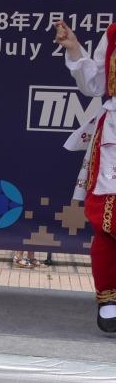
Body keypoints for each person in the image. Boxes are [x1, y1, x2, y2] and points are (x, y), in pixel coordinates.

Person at [54, 18, 116, 333]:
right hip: (115, 133)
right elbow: (94, 84)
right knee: (108, 217)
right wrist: (75, 48)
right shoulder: (114, 33)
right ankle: (109, 298)